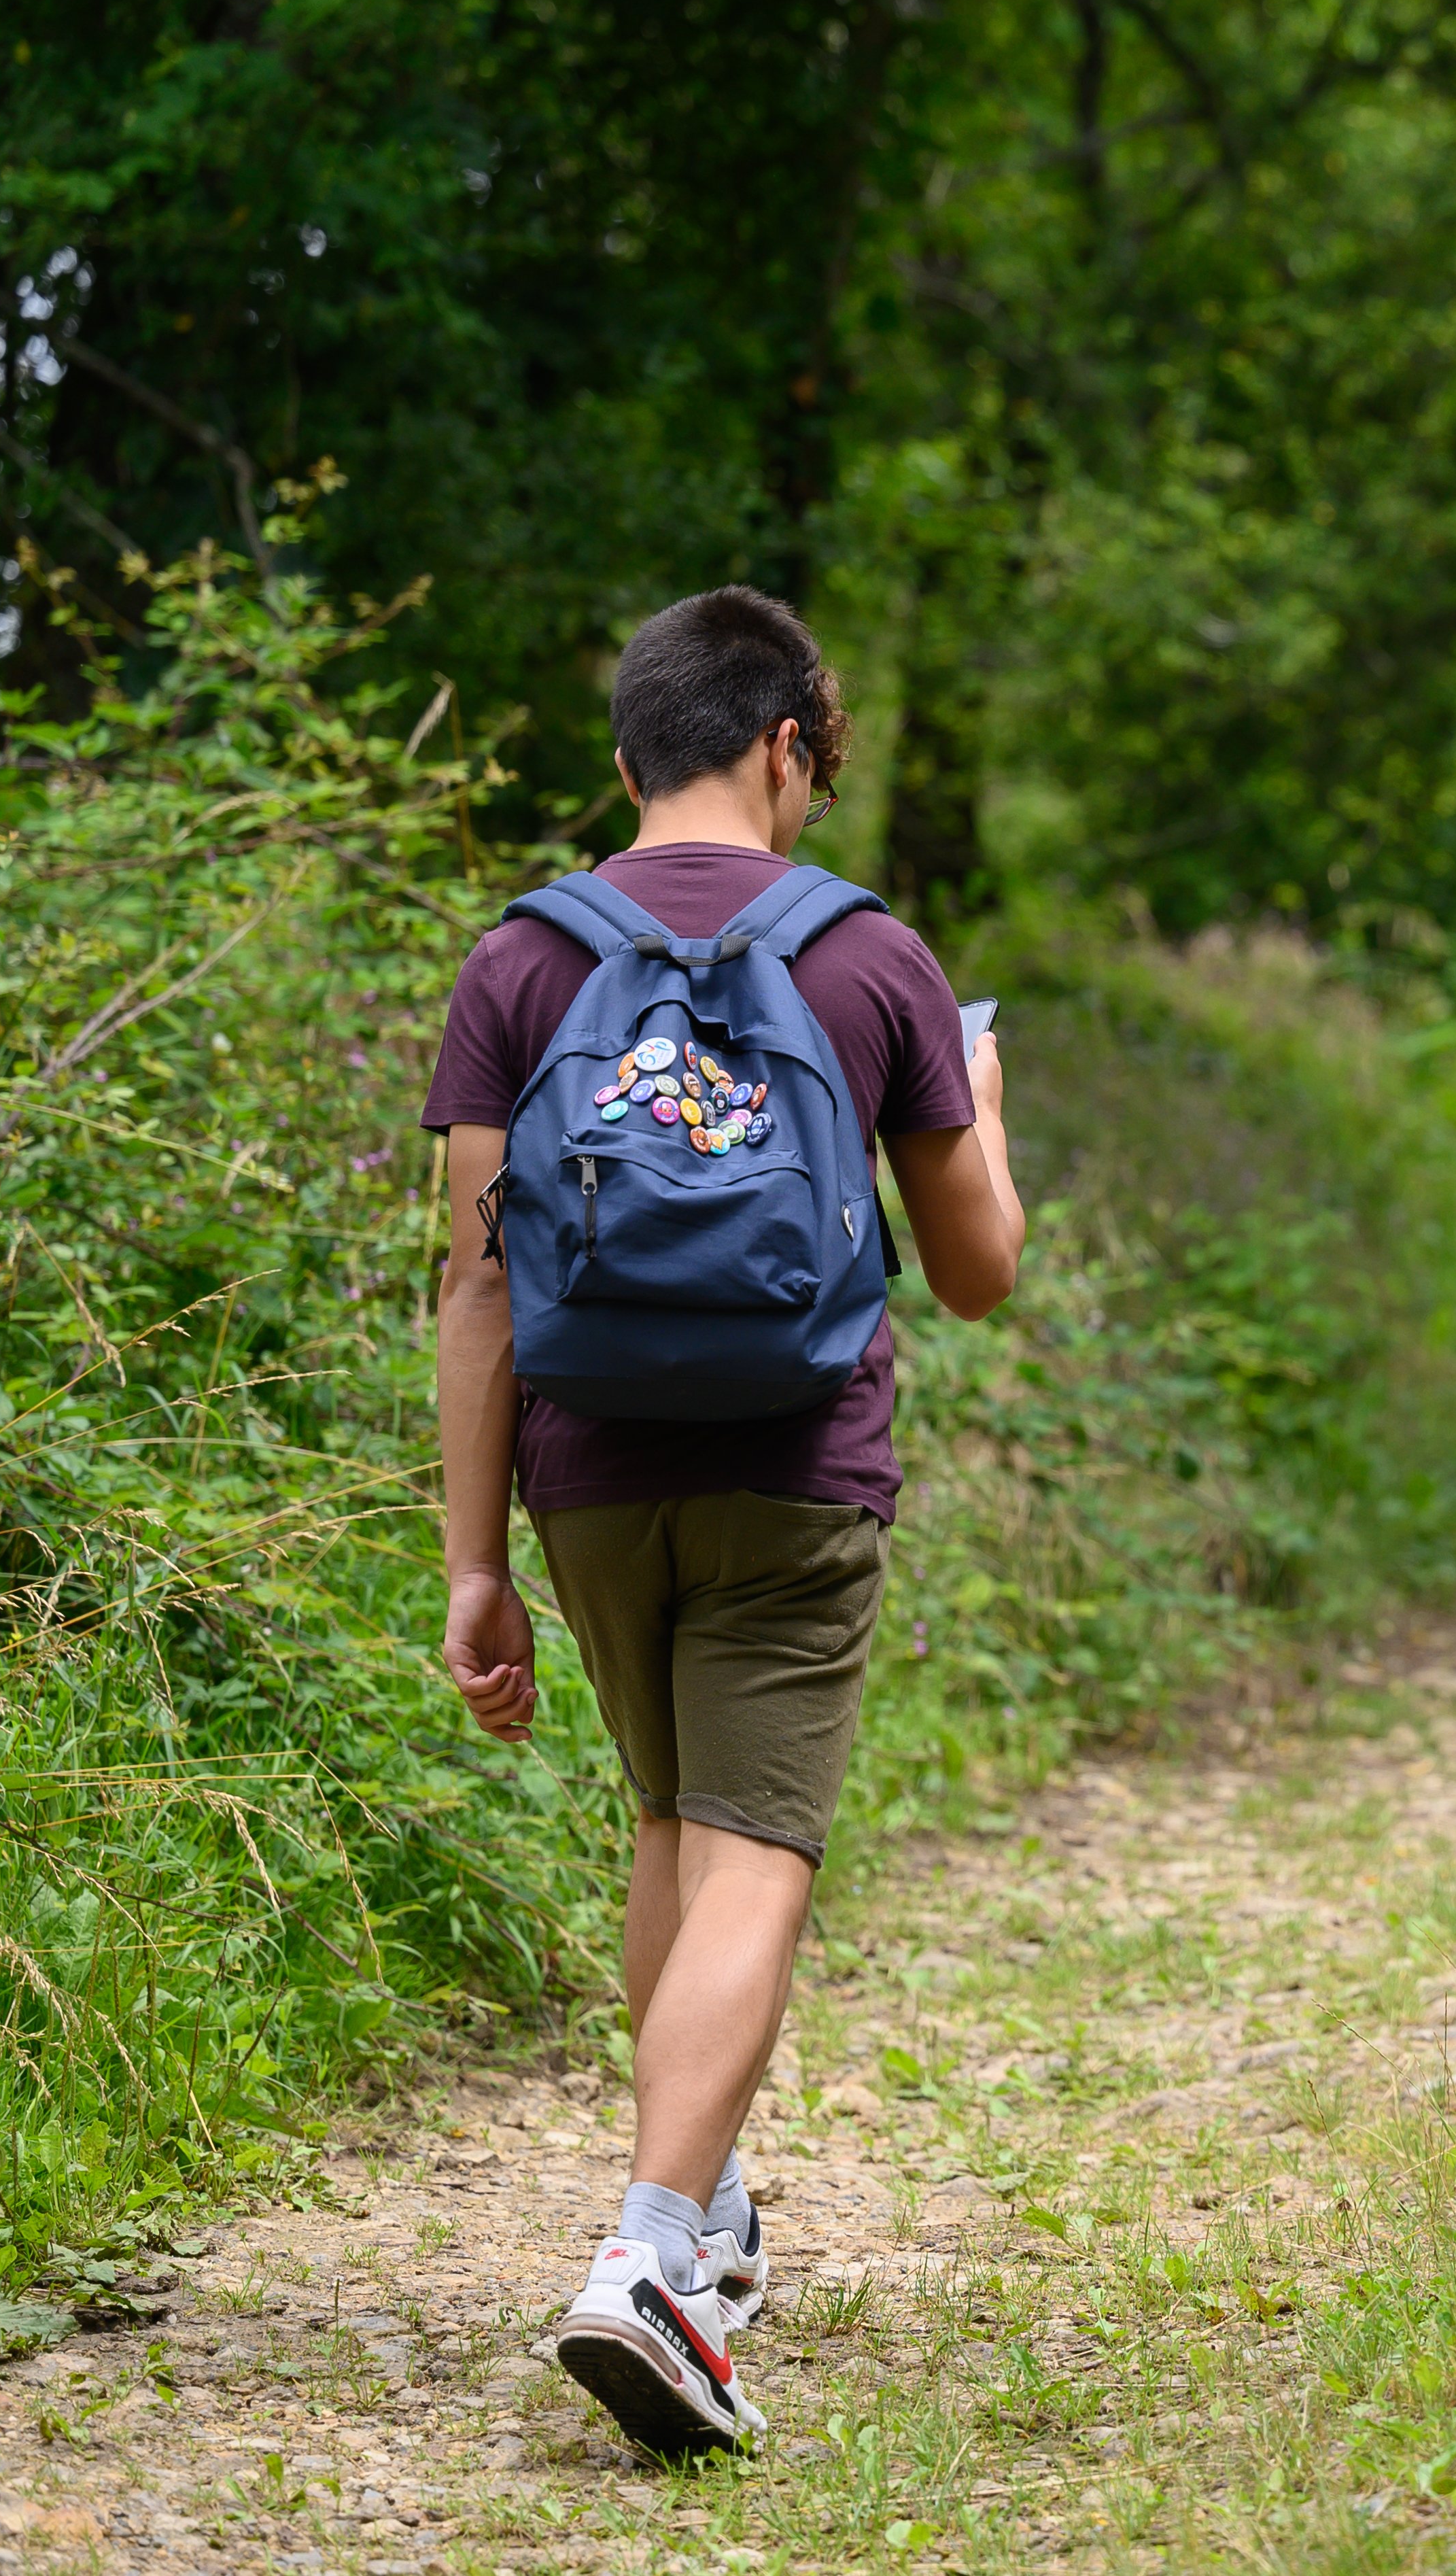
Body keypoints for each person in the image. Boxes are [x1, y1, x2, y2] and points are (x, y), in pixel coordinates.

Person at [422, 587, 1024, 2458]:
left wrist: (473, 1563)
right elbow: (977, 1271)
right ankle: (655, 2254)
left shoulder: (524, 959)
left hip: (592, 1474)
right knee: (758, 1850)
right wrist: (984, 1107)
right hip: (795, 1465)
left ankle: (712, 2208)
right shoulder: (873, 958)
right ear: (785, 747)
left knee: (675, 1822)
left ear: (627, 758)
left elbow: (477, 1288)